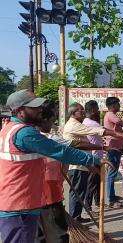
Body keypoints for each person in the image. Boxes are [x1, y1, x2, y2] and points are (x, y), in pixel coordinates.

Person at [0, 90, 108, 243]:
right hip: (20, 205)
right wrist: (93, 160)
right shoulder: (24, 133)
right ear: (19, 111)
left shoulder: (8, 128)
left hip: (16, 202)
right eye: (33, 107)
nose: (39, 110)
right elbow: (59, 150)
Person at [38, 102, 70, 243]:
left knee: (41, 236)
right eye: (52, 120)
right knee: (57, 234)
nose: (52, 124)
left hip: (41, 194)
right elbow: (71, 147)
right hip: (48, 194)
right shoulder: (46, 139)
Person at [82, 100, 104, 212]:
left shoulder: (86, 122)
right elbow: (104, 132)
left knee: (96, 182)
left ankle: (97, 202)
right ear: (91, 110)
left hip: (96, 156)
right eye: (96, 109)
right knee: (92, 183)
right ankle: (88, 205)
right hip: (94, 157)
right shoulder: (91, 123)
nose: (98, 111)